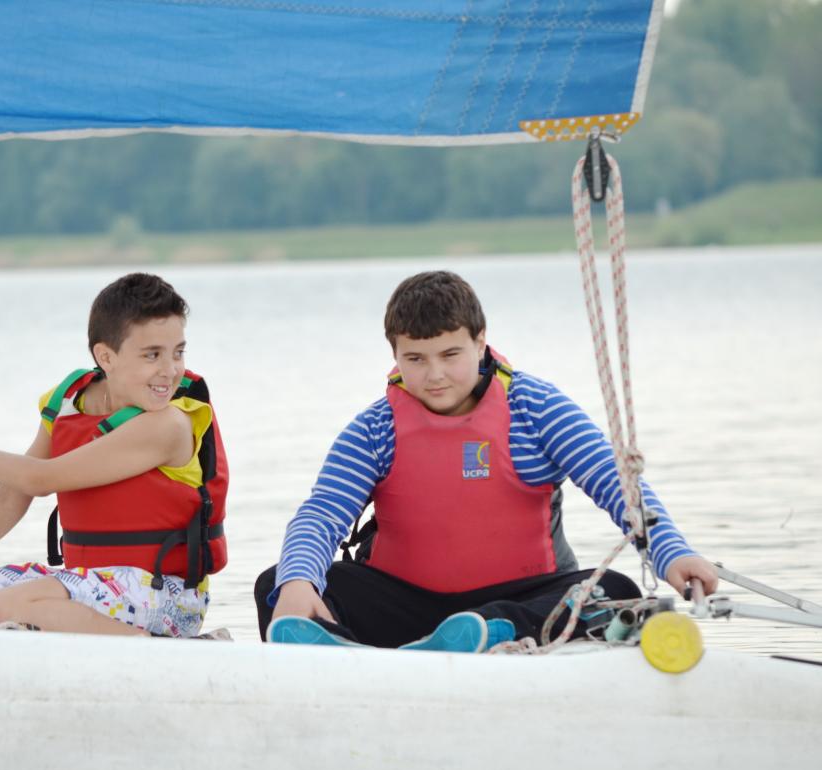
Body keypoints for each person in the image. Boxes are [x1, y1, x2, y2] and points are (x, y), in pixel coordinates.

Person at [256, 270, 718, 652]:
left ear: (480, 343)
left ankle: (488, 632)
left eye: (450, 354)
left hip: (523, 601)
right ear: (394, 353)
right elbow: (322, 514)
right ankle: (345, 656)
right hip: (407, 606)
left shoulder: (535, 409)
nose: (434, 375)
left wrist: (671, 551)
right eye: (415, 358)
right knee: (278, 583)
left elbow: (615, 483)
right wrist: (299, 581)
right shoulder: (377, 429)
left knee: (616, 592)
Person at [0, 272, 228, 638]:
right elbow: (12, 494)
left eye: (178, 352)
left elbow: (40, 479)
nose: (170, 370)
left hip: (166, 596)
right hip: (83, 582)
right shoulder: (70, 403)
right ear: (106, 356)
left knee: (2, 608)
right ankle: (21, 641)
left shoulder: (169, 425)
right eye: (153, 355)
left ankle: (149, 648)